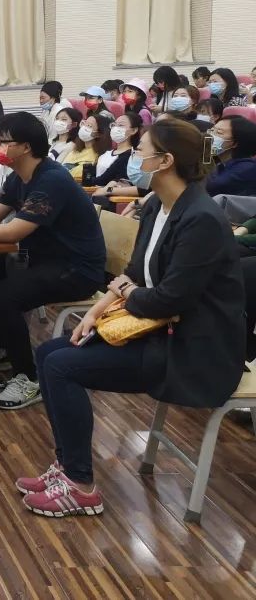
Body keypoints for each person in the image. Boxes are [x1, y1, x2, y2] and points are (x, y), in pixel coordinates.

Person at [22, 119, 246, 518]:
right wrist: (96, 311)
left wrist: (129, 294)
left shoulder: (201, 219)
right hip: (160, 328)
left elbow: (166, 299)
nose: (135, 156)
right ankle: (67, 465)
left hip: (192, 349)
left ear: (165, 161)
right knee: (48, 354)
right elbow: (136, 273)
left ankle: (81, 485)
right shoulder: (158, 205)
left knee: (60, 367)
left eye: (141, 149)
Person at [0, 112, 105, 407]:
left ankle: (29, 378)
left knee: (4, 296)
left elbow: (15, 230)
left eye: (4, 142)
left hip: (76, 270)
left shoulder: (51, 180)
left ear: (25, 147)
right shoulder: (18, 177)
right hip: (43, 262)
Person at [207, 115, 256, 196]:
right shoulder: (221, 161)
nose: (209, 135)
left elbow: (212, 186)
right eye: (211, 130)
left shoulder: (248, 168)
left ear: (234, 143)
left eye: (219, 133)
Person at [93, 112, 142, 192]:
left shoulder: (131, 155)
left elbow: (104, 180)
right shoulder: (106, 154)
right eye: (114, 125)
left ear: (133, 130)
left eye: (121, 125)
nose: (116, 128)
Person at [64, 113, 111, 181]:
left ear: (99, 134)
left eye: (89, 126)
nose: (84, 128)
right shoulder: (75, 150)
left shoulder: (97, 157)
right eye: (84, 124)